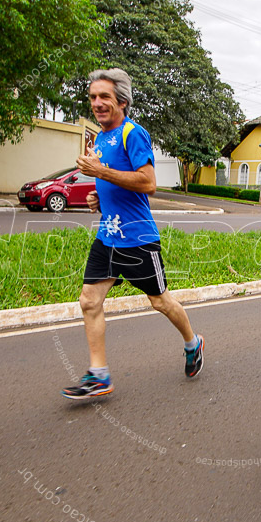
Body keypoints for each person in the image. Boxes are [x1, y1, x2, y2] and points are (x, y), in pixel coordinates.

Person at [61, 68, 204, 399]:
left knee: (160, 301)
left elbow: (148, 183)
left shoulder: (133, 133)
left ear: (121, 101)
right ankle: (99, 375)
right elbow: (113, 182)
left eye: (104, 97)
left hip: (138, 239)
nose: (97, 103)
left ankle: (193, 343)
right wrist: (99, 196)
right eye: (93, 97)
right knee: (89, 300)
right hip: (108, 237)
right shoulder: (100, 138)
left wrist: (99, 171)